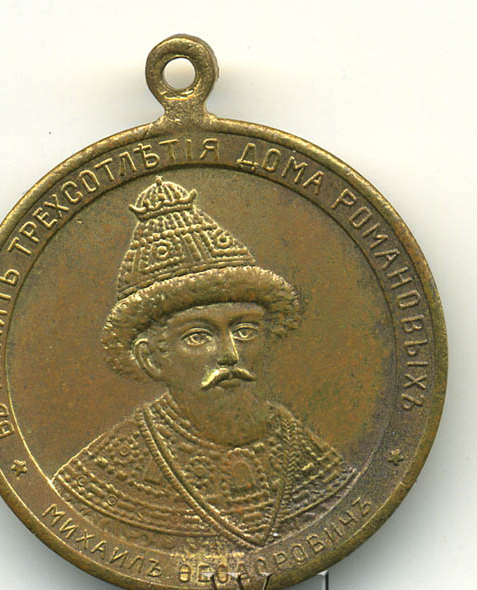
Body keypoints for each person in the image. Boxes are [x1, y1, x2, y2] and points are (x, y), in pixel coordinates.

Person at [52, 177, 356, 551]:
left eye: (244, 331)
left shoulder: (308, 455)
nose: (230, 354)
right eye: (198, 336)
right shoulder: (100, 477)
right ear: (151, 359)